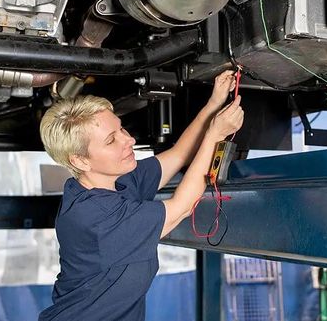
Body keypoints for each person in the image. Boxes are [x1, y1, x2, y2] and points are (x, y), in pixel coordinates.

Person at [37, 70, 244, 321]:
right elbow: (181, 207)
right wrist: (215, 135)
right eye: (112, 140)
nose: (130, 140)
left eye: (121, 128)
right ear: (80, 160)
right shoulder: (96, 218)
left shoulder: (114, 182)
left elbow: (179, 154)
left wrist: (214, 103)